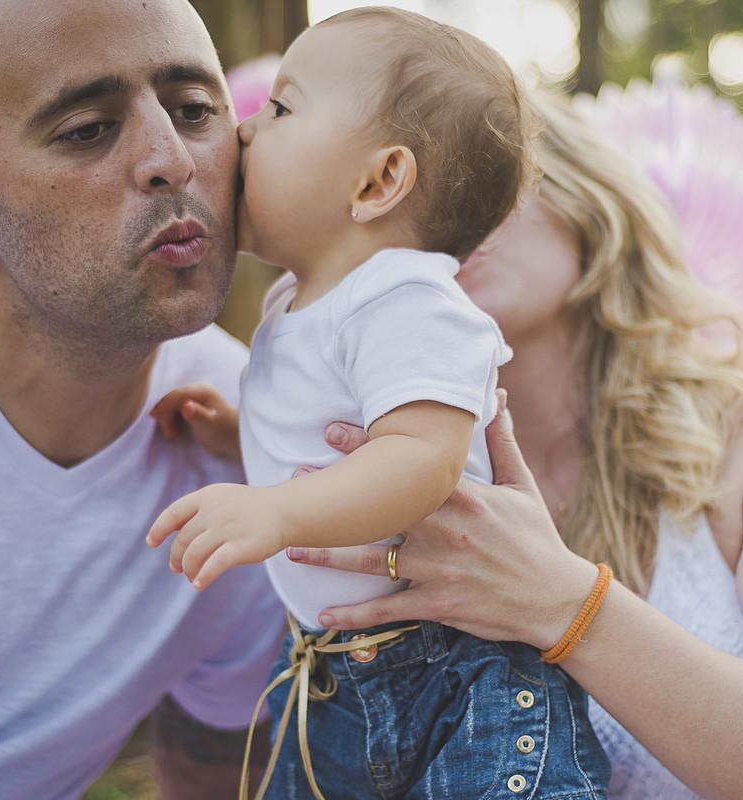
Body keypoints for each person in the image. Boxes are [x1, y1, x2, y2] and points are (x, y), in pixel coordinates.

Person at [286, 91, 743, 799]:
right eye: (405, 188)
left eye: (483, 171)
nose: (449, 212)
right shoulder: (363, 470)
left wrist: (563, 603)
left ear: (589, 203)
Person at [0, 0, 288, 797]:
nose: (171, 160)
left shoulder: (252, 448)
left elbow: (220, 754)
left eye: (193, 110)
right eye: (87, 128)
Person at [145, 8, 609, 800]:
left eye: (280, 108)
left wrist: (278, 511)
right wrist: (237, 436)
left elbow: (420, 460)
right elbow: (334, 439)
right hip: (335, 676)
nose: (245, 130)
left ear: (378, 182)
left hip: (455, 681)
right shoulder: (299, 301)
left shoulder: (410, 300)